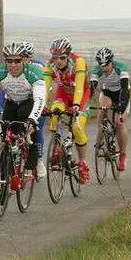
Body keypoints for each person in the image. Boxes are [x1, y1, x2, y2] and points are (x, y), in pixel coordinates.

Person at [0, 41, 46, 179]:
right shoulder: (0, 71)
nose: (13, 65)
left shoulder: (34, 72)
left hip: (28, 102)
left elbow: (40, 100)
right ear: (5, 61)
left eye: (17, 61)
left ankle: (35, 155)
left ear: (24, 60)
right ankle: (4, 181)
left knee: (26, 118)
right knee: (5, 135)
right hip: (11, 103)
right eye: (9, 61)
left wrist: (32, 119)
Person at [43, 38, 91, 184]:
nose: (58, 61)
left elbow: (79, 87)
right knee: (55, 112)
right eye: (55, 57)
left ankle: (83, 163)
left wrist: (76, 105)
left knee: (76, 127)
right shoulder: (49, 64)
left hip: (81, 95)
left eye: (62, 57)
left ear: (69, 55)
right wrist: (42, 104)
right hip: (63, 93)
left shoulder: (78, 62)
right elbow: (46, 88)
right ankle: (57, 147)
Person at [90, 47, 129, 171]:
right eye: (101, 65)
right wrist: (84, 104)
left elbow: (123, 88)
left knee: (119, 122)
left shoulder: (121, 67)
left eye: (107, 64)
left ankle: (122, 154)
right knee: (102, 109)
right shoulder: (97, 71)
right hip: (108, 93)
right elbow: (91, 89)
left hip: (122, 94)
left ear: (112, 62)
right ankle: (100, 136)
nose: (104, 68)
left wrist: (121, 105)